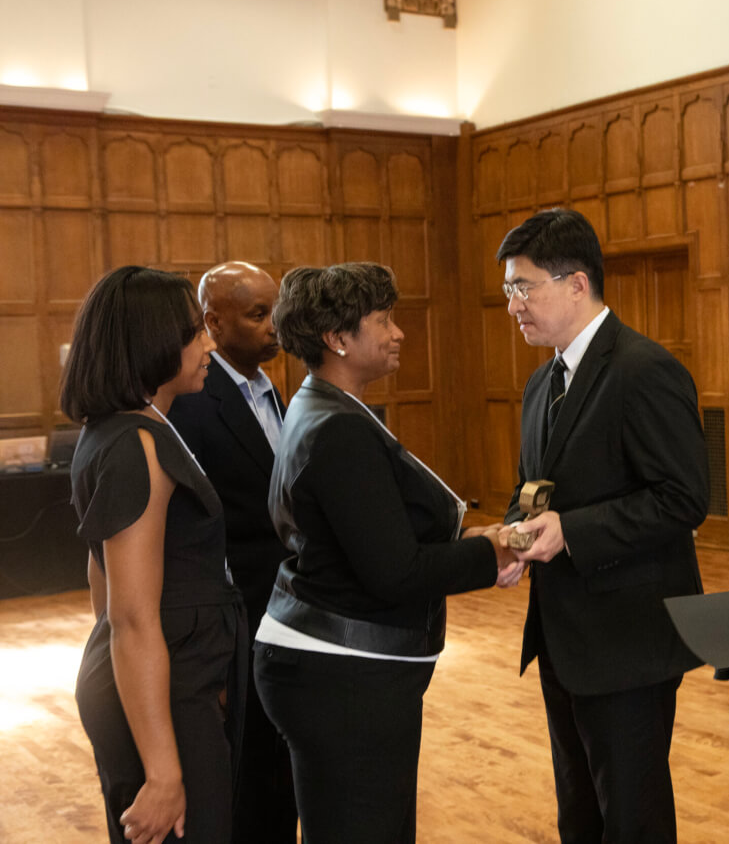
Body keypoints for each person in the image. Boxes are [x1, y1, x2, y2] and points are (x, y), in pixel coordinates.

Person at [251, 262, 521, 844]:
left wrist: (471, 543)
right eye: (383, 320)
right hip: (341, 678)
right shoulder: (338, 427)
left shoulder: (322, 405)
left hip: (336, 668)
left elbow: (372, 537)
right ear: (338, 339)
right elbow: (394, 573)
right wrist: (492, 552)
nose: (398, 333)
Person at [497, 209, 709, 843]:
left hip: (628, 643)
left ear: (576, 284)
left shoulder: (645, 370)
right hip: (563, 639)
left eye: (523, 287)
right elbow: (532, 489)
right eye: (508, 290)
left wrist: (575, 532)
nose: (514, 306)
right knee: (580, 814)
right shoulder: (542, 382)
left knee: (633, 819)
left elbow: (683, 498)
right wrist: (516, 533)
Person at [61, 265, 240, 844]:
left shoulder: (117, 429)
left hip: (158, 683)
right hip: (162, 697)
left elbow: (101, 579)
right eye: (194, 332)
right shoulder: (135, 442)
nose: (209, 343)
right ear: (151, 342)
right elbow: (132, 619)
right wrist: (163, 772)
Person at [168, 261, 297, 842]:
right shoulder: (193, 403)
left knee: (280, 776)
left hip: (287, 617)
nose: (275, 326)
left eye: (276, 310)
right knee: (246, 784)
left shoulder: (276, 390)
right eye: (257, 314)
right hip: (235, 623)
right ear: (213, 322)